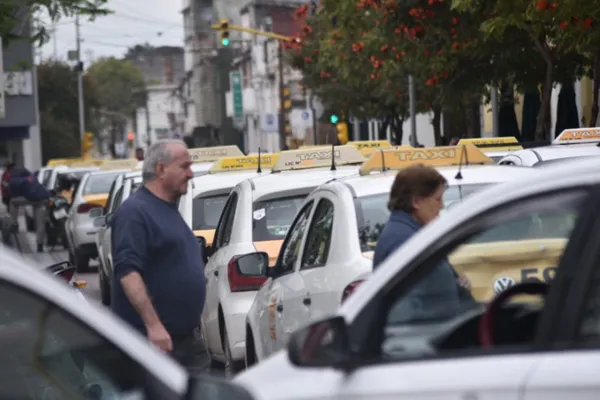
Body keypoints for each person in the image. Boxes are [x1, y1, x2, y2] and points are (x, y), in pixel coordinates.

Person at [110, 139, 206, 372]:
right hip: (155, 345)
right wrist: (153, 326)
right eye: (184, 167)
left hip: (183, 343)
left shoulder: (168, 210)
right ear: (161, 169)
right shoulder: (136, 213)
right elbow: (128, 273)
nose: (191, 174)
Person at [373, 164, 473, 322]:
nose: (441, 205)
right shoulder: (403, 243)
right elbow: (405, 312)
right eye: (437, 199)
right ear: (416, 202)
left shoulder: (411, 235)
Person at [7, 167, 51, 252]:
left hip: (28, 199)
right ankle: (40, 245)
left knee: (13, 202)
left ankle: (14, 223)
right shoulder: (32, 178)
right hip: (42, 200)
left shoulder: (14, 181)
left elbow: (12, 195)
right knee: (40, 223)